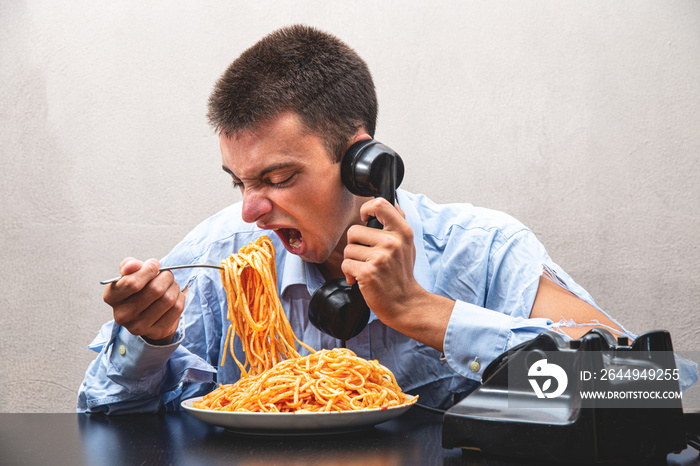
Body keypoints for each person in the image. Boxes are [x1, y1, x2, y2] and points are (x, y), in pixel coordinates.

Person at [77, 25, 693, 414]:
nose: (251, 209)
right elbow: (102, 420)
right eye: (241, 181)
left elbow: (639, 387)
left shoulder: (479, 250)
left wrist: (424, 312)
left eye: (279, 177)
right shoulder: (223, 252)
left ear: (360, 162)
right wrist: (146, 344)